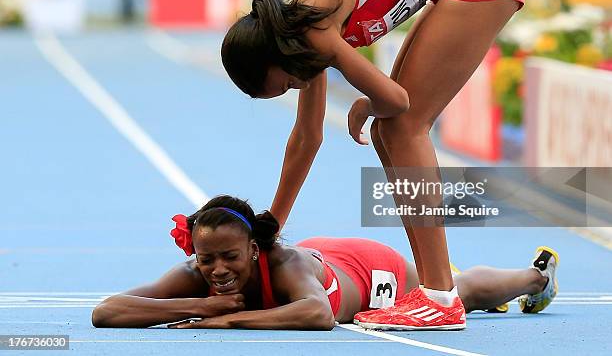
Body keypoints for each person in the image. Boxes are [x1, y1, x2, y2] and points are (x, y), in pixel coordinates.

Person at [220, 0, 526, 329]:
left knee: (402, 125)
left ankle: (440, 296)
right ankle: (436, 290)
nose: (299, 86)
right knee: (390, 129)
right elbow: (307, 138)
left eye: (289, 84)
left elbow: (395, 101)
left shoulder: (312, 27)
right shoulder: (297, 39)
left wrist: (367, 102)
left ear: (274, 57)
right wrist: (271, 226)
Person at [91, 196, 558, 330]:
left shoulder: (286, 265)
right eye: (206, 258)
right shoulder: (200, 272)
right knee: (462, 285)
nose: (216, 270)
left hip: (368, 271)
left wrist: (229, 319)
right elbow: (107, 311)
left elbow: (317, 314)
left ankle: (537, 277)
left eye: (229, 257)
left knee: (460, 290)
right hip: (326, 258)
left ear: (254, 249)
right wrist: (199, 307)